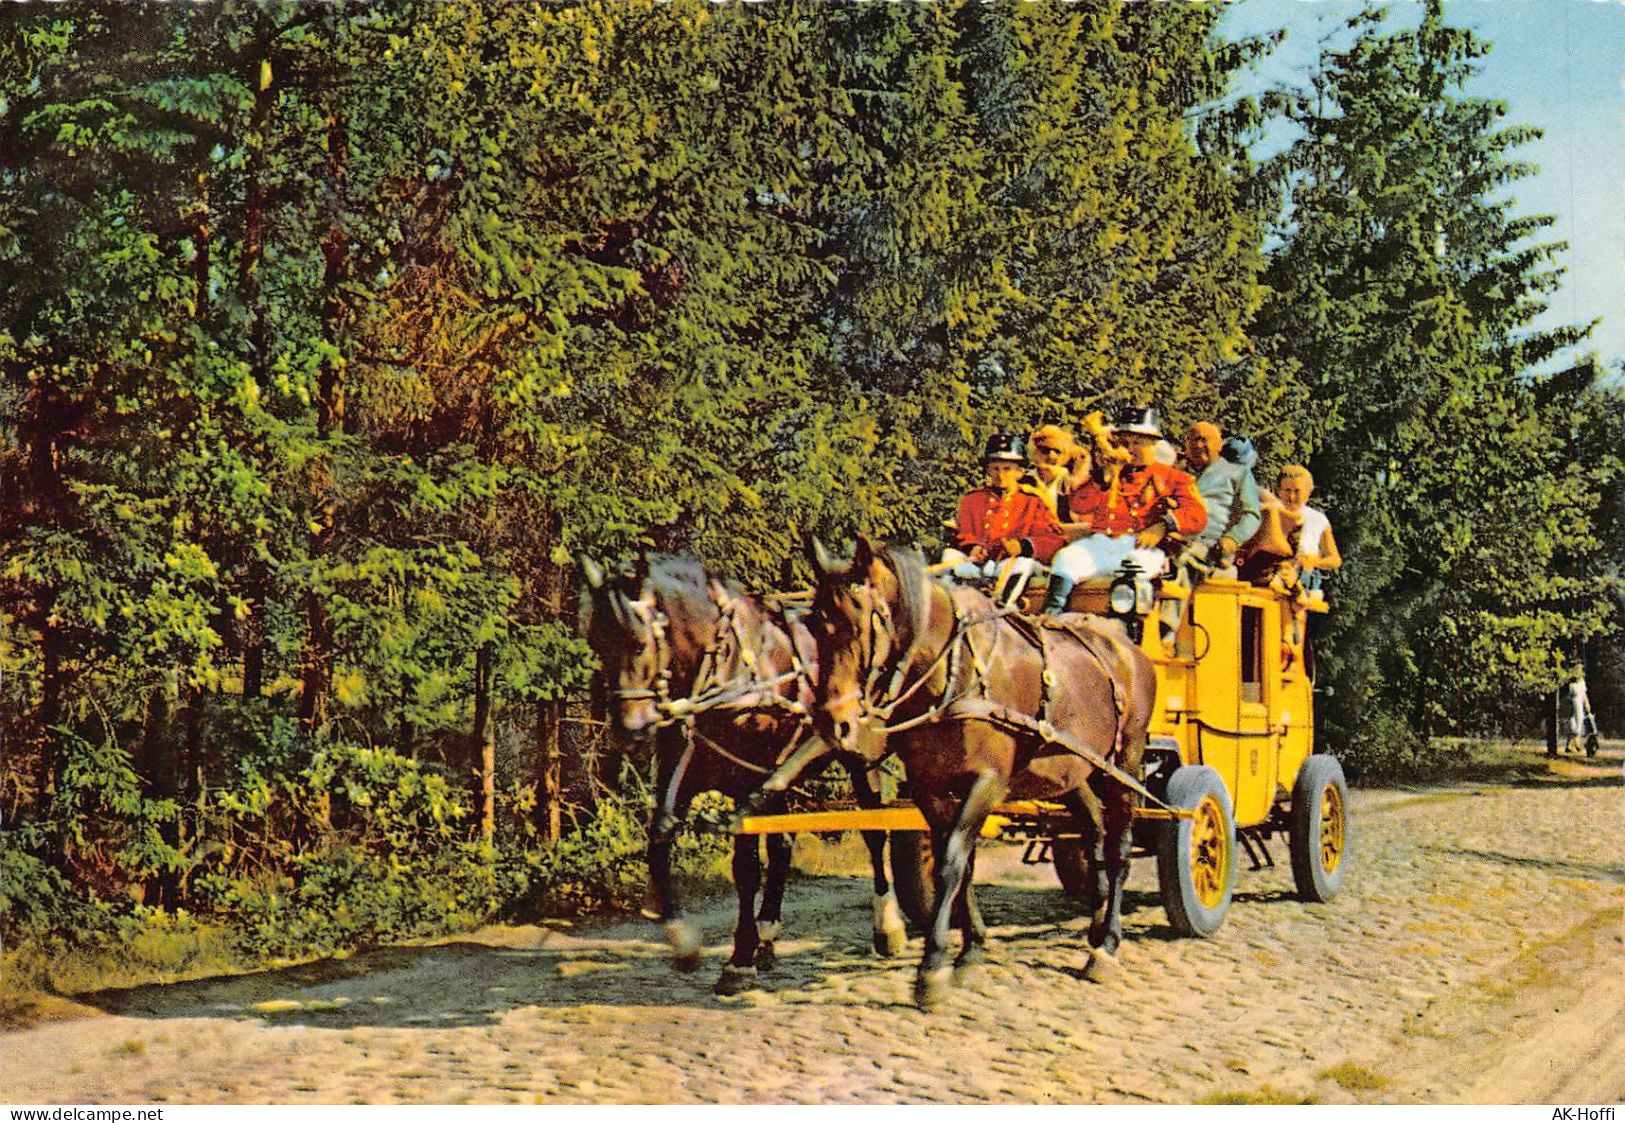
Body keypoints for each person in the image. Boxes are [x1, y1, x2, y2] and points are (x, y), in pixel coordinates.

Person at [1041, 406, 1206, 615]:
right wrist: (1102, 478)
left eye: (1137, 443)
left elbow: (1197, 515)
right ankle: (1051, 620)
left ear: (1153, 445)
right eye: (1125, 443)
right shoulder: (1109, 474)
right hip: (1101, 543)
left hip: (1141, 548)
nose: (1130, 449)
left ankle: (1130, 634)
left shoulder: (1174, 478)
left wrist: (1164, 526)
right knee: (1066, 558)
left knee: (1134, 567)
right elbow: (1078, 505)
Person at [941, 433, 1065, 604]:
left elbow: (1054, 540)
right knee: (949, 557)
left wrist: (1023, 546)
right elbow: (963, 532)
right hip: (978, 565)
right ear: (988, 470)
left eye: (1007, 469)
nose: (1000, 475)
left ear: (1020, 472)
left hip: (1012, 563)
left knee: (1022, 564)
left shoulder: (1033, 501)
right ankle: (954, 613)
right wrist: (972, 548)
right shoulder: (972, 499)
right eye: (995, 469)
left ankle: (1003, 611)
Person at [1180, 421, 1262, 575]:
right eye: (1193, 439)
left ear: (1219, 445)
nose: (1197, 445)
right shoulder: (1176, 472)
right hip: (1172, 539)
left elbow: (1252, 514)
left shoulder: (1237, 472)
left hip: (1209, 548)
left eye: (1204, 440)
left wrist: (1233, 539)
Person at [1275, 464, 1340, 594]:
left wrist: (1314, 561)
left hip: (1303, 575)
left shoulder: (1318, 520)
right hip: (1273, 572)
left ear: (1308, 493)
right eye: (1287, 490)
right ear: (1278, 490)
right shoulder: (1270, 513)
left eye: (1297, 491)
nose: (1291, 497)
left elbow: (1335, 559)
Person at [1025, 424, 1085, 521]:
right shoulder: (1023, 481)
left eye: (1057, 452)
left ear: (1065, 457)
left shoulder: (1070, 484)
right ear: (1035, 453)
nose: (1051, 457)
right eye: (1045, 450)